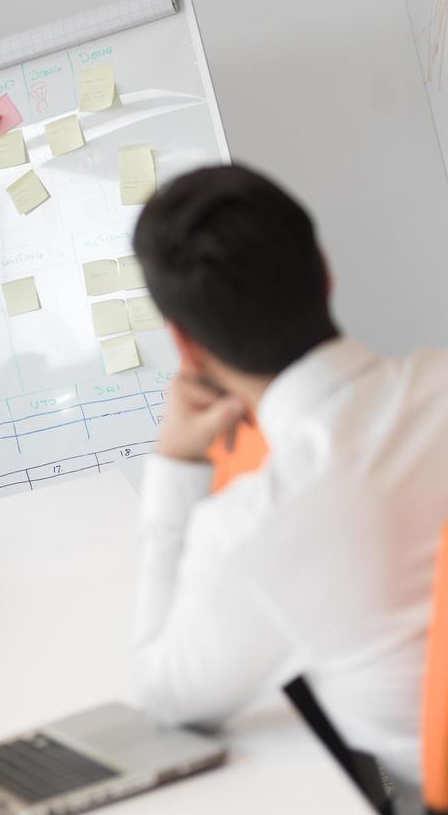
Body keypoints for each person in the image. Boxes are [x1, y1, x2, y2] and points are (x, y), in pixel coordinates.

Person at [130, 164, 448, 799]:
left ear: (185, 347)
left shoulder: (257, 528)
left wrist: (175, 468)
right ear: (325, 272)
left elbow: (165, 698)